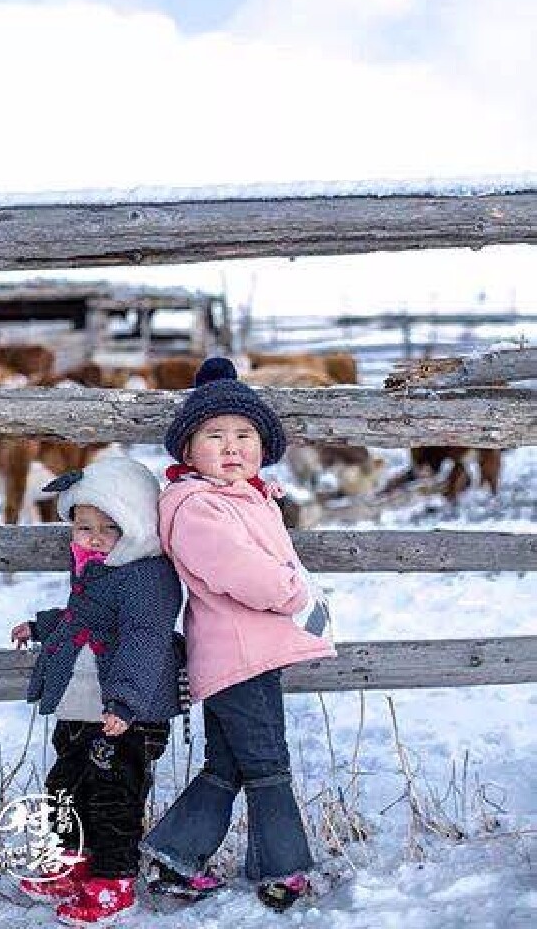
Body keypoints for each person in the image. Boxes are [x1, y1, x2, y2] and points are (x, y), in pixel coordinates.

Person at [141, 357, 336, 913]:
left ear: (262, 446)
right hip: (237, 658)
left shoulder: (246, 497)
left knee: (228, 765)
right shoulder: (196, 507)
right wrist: (294, 593)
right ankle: (283, 870)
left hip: (249, 655)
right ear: (188, 451)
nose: (232, 446)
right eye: (215, 436)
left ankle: (174, 857)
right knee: (268, 762)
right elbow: (237, 568)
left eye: (244, 435)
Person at [10, 456, 183, 925]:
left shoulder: (148, 577)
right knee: (67, 783)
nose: (95, 537)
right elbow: (85, 617)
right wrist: (43, 626)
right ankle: (75, 861)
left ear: (138, 526)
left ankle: (114, 878)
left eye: (110, 527)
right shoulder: (95, 567)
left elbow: (146, 640)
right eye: (84, 527)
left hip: (128, 711)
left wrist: (125, 703)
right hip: (83, 703)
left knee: (113, 792)